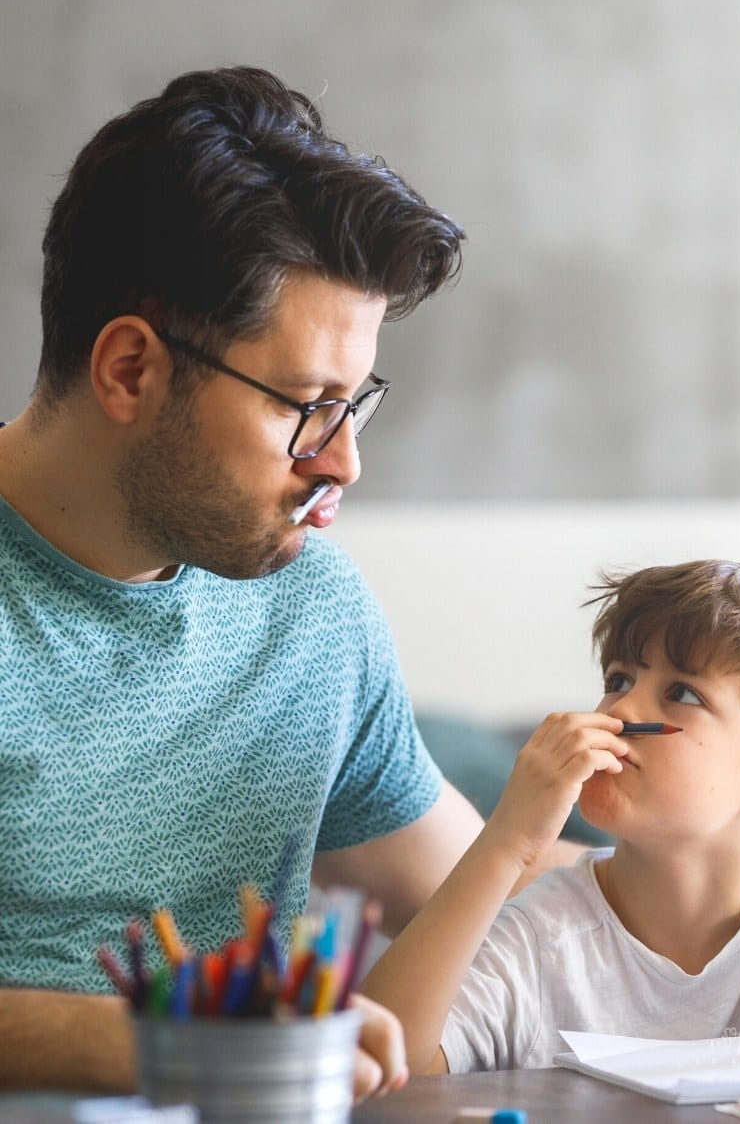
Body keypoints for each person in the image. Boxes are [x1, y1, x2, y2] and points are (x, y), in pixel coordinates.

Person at [0, 64, 492, 1099]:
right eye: (306, 404)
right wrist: (167, 1046)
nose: (343, 460)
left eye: (356, 404)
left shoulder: (310, 607)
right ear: (130, 370)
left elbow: (481, 899)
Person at [362, 559, 740, 1072]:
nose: (618, 711)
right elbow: (380, 1067)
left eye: (681, 693)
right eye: (618, 680)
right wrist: (506, 843)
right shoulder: (541, 938)